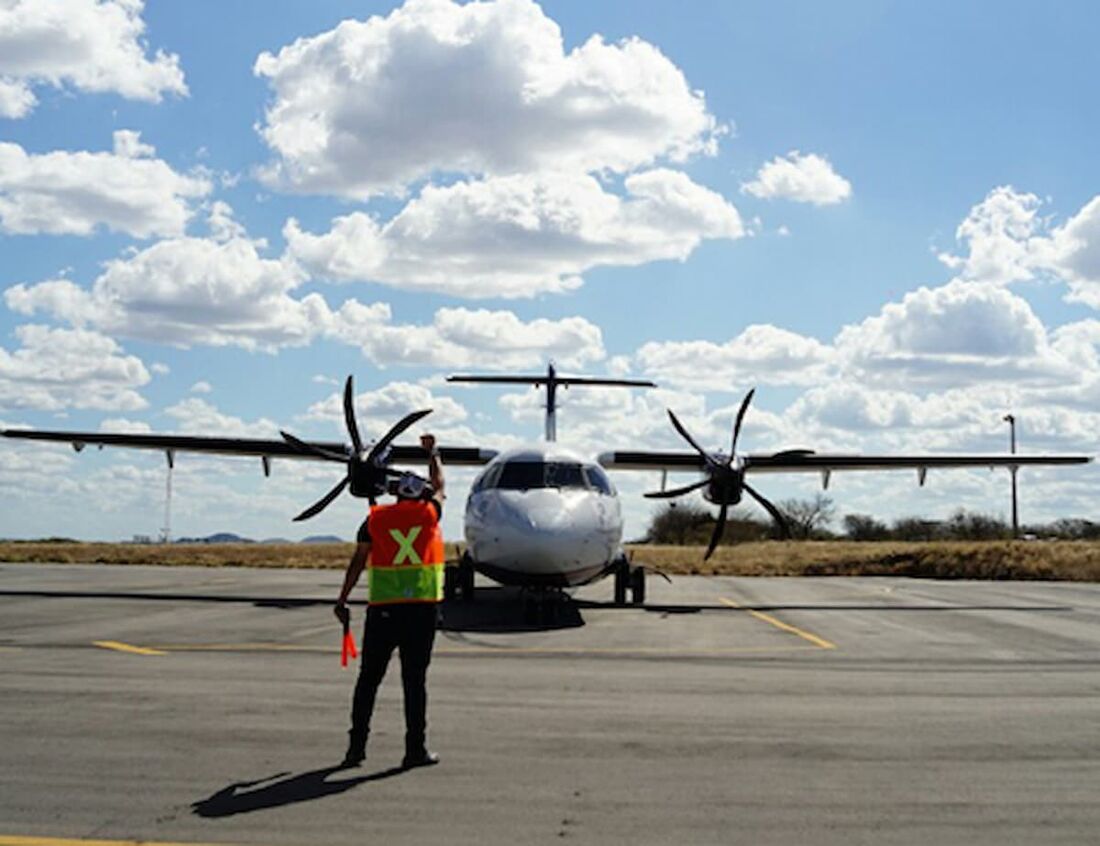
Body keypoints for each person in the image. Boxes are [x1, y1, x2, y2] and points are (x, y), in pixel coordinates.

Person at [334, 432, 446, 769]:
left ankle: (356, 749)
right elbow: (440, 484)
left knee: (368, 680)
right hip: (421, 613)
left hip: (382, 612)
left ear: (395, 495)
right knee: (414, 682)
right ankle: (415, 749)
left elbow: (358, 561)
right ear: (421, 494)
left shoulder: (374, 521)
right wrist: (433, 453)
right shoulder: (429, 515)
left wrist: (342, 600)